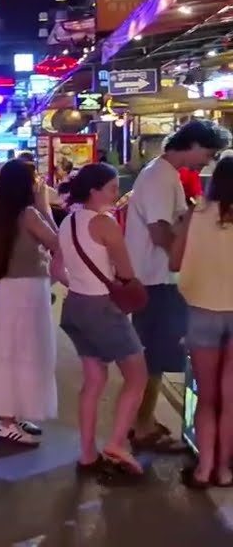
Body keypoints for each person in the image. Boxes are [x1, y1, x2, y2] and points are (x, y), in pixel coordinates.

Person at [124, 119, 230, 453]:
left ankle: (143, 421)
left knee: (155, 355)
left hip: (156, 279)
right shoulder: (160, 177)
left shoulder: (163, 174)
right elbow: (159, 232)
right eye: (208, 153)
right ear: (194, 144)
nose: (207, 161)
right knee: (154, 357)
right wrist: (184, 257)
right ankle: (141, 426)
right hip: (156, 280)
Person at [57, 163, 148, 478]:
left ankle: (86, 454)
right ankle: (117, 443)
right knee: (137, 376)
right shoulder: (104, 223)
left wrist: (80, 285)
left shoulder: (68, 221)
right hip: (102, 309)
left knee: (93, 381)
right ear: (95, 190)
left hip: (75, 307)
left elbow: (56, 269)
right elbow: (126, 272)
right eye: (112, 187)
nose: (116, 192)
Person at [0, 159, 63, 446]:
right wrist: (46, 207)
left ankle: (11, 414)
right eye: (35, 177)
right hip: (28, 291)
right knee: (26, 351)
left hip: (15, 291)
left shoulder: (5, 214)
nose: (40, 182)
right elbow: (58, 241)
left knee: (13, 351)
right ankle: (6, 421)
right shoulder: (29, 214)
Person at [170, 155, 233, 488]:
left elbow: (176, 261)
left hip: (202, 313)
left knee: (207, 397)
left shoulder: (195, 214)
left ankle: (204, 468)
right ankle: (225, 470)